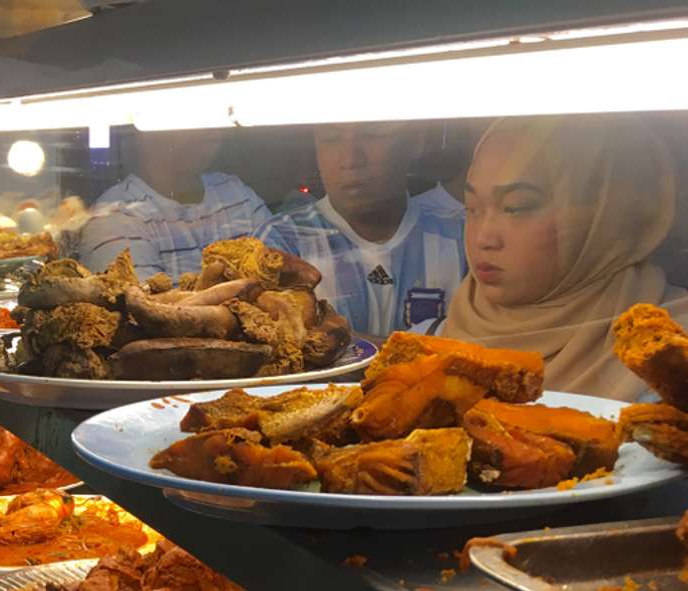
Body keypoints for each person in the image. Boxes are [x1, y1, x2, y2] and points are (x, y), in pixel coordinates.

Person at [440, 114, 684, 400]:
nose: (483, 239)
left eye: (515, 208)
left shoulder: (672, 354)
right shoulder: (440, 334)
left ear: (605, 215)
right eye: (472, 208)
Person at [255, 121, 467, 336]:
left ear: (415, 142)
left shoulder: (462, 241)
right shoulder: (280, 243)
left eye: (372, 134)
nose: (351, 160)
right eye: (331, 139)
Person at [76, 127, 273, 279]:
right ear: (149, 134)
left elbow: (284, 275)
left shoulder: (234, 191)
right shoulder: (116, 217)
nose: (214, 130)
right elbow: (146, 318)